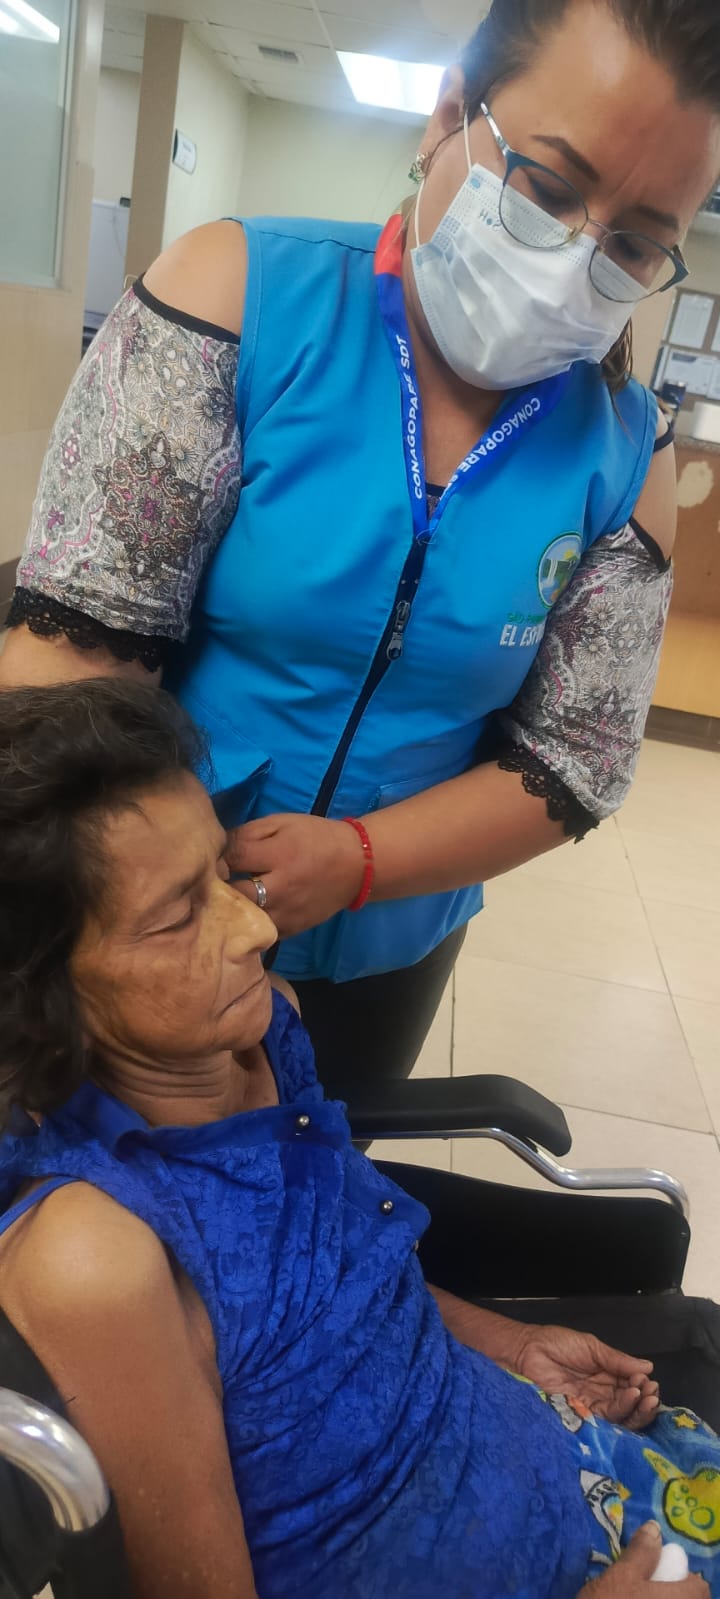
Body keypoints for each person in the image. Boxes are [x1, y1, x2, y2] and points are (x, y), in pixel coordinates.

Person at [2, 0, 719, 1092]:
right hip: (135, 926)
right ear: (449, 116)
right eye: (548, 187)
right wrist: (192, 904)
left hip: (391, 945)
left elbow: (575, 761)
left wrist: (361, 862)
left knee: (324, 1176)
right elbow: (67, 674)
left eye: (631, 246)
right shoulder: (234, 300)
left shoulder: (624, 456)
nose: (576, 259)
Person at [0, 677, 716, 1599]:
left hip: (552, 1456)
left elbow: (335, 1274)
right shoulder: (98, 1252)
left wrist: (507, 1343)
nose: (256, 923)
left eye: (221, 872)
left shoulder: (265, 1028)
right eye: (178, 916)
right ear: (43, 998)